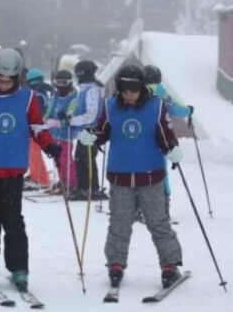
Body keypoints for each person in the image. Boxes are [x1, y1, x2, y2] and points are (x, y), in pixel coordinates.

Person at [0, 48, 61, 291]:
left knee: (14, 221)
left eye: (9, 81)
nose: (4, 85)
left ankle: (19, 268)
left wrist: (49, 144)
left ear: (17, 79)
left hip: (14, 168)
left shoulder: (27, 98)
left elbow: (37, 126)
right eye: (0, 79)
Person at [80, 64, 184, 289]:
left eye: (134, 91)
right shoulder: (110, 107)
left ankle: (170, 264)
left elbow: (165, 136)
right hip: (120, 176)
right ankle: (115, 263)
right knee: (120, 222)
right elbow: (101, 131)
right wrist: (90, 136)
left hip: (151, 176)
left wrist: (172, 149)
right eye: (125, 91)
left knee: (158, 221)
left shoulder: (157, 108)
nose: (129, 96)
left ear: (142, 88)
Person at [144, 64, 194, 221]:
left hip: (142, 137)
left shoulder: (138, 91)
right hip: (162, 137)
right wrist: (189, 110)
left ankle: (139, 208)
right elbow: (177, 110)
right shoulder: (162, 92)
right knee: (160, 172)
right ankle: (163, 207)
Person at [68, 60, 105, 200]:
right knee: (81, 159)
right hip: (84, 132)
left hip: (90, 131)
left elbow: (91, 115)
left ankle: (89, 189)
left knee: (85, 159)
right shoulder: (84, 89)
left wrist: (73, 120)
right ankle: (86, 188)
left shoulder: (93, 90)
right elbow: (80, 109)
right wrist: (69, 116)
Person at [44, 69, 79, 194]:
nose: (60, 85)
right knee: (57, 159)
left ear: (70, 83)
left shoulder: (74, 98)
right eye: (57, 82)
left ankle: (72, 183)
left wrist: (61, 121)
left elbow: (71, 117)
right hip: (54, 134)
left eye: (64, 82)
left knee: (65, 160)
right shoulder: (56, 96)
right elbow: (49, 112)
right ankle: (63, 181)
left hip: (66, 135)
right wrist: (46, 121)